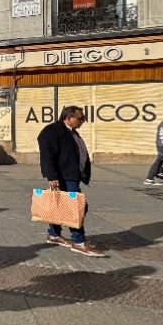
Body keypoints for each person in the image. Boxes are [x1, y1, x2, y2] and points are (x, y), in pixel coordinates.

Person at [38, 106, 104, 257]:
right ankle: (79, 242)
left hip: (72, 175)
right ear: (69, 117)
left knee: (63, 205)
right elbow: (47, 155)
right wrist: (52, 176)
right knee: (77, 207)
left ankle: (54, 235)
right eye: (80, 118)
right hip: (63, 176)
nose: (83, 121)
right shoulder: (52, 131)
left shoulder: (70, 132)